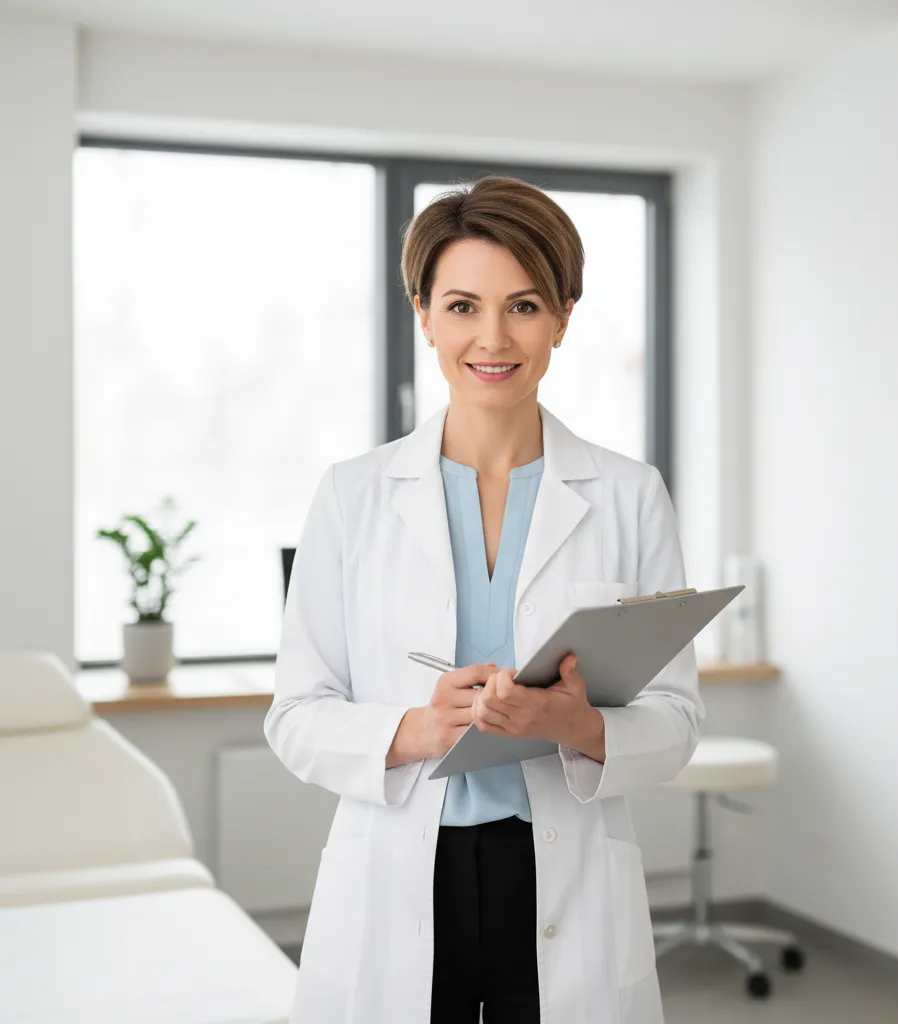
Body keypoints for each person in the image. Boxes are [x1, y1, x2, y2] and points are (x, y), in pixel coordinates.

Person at [265, 175, 704, 1024]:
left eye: (525, 305)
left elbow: (676, 722)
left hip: (560, 871)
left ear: (563, 318)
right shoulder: (353, 496)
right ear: (423, 315)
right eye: (463, 306)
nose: (492, 337)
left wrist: (571, 726)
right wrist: (417, 730)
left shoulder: (628, 493)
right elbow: (295, 715)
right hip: (399, 866)